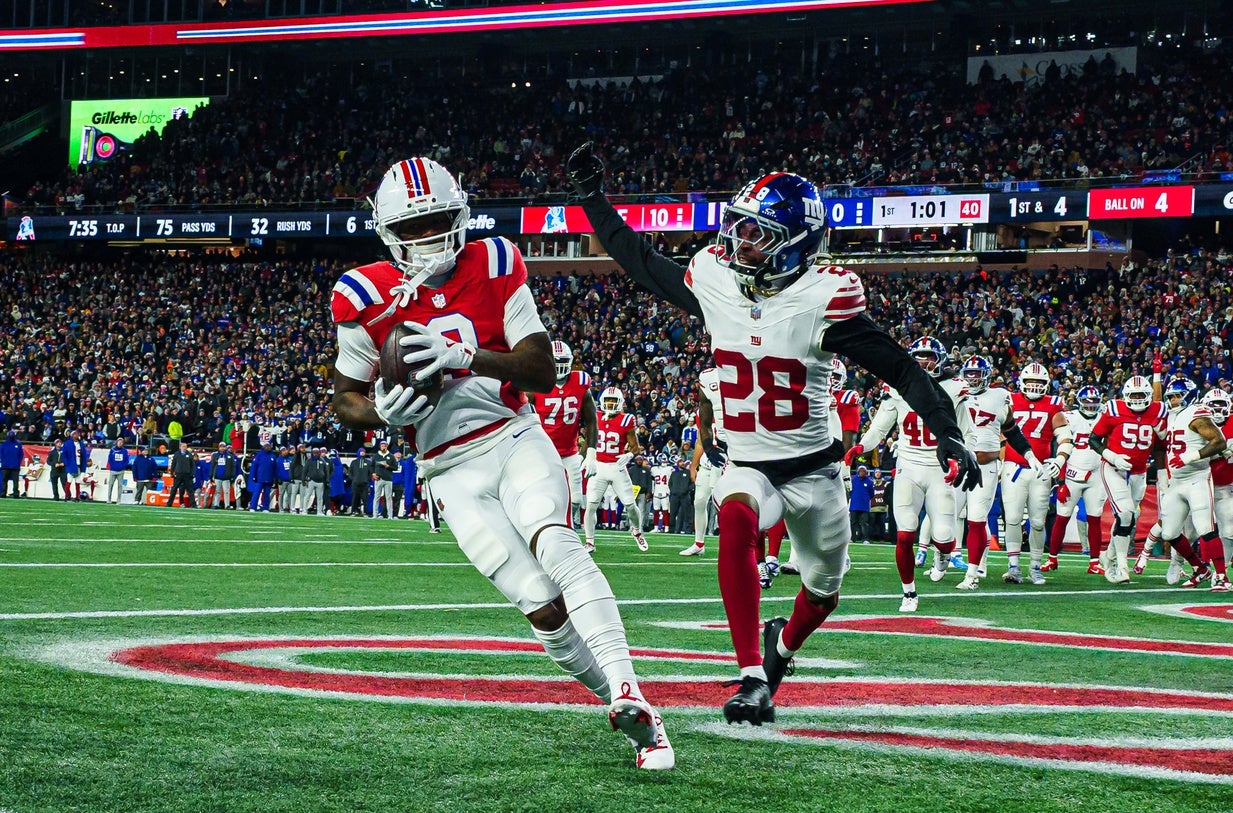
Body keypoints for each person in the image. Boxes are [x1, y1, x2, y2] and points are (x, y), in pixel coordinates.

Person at [567, 143, 977, 724]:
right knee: (734, 515)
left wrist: (946, 432)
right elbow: (641, 261)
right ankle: (752, 676)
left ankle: (780, 649)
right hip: (751, 463)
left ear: (794, 244)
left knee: (822, 591)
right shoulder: (717, 281)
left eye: (755, 233)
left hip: (814, 471)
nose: (738, 242)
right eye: (738, 227)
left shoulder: (821, 301)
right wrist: (592, 200)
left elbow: (901, 366)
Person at [329, 156, 671, 769]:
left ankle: (625, 684)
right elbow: (345, 399)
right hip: (446, 470)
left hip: (511, 436)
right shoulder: (362, 293)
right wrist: (384, 414)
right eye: (411, 227)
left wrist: (467, 355)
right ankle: (635, 715)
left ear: (459, 215)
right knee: (538, 602)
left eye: (435, 220)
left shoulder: (495, 261)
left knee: (556, 540)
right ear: (385, 230)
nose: (425, 238)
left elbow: (540, 371)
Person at [845, 337, 976, 611]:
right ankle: (909, 593)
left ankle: (942, 556)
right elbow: (880, 428)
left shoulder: (954, 389)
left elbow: (967, 434)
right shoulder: (898, 388)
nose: (924, 362)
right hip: (908, 466)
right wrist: (861, 446)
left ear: (940, 360)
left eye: (929, 356)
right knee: (905, 534)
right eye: (919, 357)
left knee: (944, 538)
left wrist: (959, 458)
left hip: (939, 469)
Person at [998, 362, 1071, 585]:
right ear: (1022, 382)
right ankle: (1013, 567)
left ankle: (1035, 567)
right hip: (1013, 467)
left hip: (1041, 470)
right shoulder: (1009, 400)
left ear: (1047, 384)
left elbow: (1065, 436)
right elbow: (1000, 432)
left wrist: (1060, 459)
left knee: (1038, 521)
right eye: (1031, 381)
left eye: (1039, 383)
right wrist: (1001, 460)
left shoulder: (1053, 405)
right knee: (1012, 518)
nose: (1035, 386)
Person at [1159, 377, 1227, 589]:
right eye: (1170, 397)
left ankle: (1222, 577)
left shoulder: (1196, 413)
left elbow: (1219, 441)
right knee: (1168, 533)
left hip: (1197, 477)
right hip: (1177, 480)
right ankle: (1201, 569)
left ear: (1189, 396)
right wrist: (1156, 375)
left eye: (1178, 396)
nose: (1174, 400)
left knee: (1205, 527)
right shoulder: (1172, 415)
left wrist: (1191, 457)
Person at [531, 340, 597, 527]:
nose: (558, 367)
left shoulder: (581, 382)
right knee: (541, 495)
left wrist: (591, 452)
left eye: (562, 362)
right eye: (554, 361)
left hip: (569, 452)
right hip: (542, 452)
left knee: (576, 500)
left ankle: (566, 527)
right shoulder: (535, 384)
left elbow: (591, 419)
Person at [1044, 386, 1107, 575]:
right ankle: (1052, 558)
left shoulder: (1105, 417)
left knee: (1095, 518)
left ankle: (1094, 561)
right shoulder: (1070, 418)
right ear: (1080, 401)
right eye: (1087, 401)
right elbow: (1061, 446)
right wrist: (1061, 480)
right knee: (1062, 517)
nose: (1091, 404)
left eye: (1094, 400)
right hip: (1072, 473)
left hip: (1096, 473)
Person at [584, 386, 648, 552]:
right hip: (598, 466)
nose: (611, 404)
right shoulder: (596, 416)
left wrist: (629, 455)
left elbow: (636, 447)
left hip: (617, 466)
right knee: (591, 505)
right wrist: (582, 457)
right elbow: (587, 440)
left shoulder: (626, 420)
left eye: (614, 401)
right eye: (608, 401)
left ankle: (637, 530)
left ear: (620, 403)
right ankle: (590, 541)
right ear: (602, 402)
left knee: (630, 505)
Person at [681, 368, 726, 556]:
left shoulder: (730, 406)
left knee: (722, 503)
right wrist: (693, 465)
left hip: (724, 457)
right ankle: (699, 542)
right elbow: (701, 438)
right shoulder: (704, 410)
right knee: (699, 501)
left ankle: (728, 544)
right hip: (708, 458)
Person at [209, 442, 239, 509]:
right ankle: (216, 504)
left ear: (225, 447)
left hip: (226, 477)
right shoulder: (215, 455)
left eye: (223, 447)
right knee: (217, 491)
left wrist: (232, 476)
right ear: (219, 447)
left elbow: (233, 467)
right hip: (217, 476)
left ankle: (227, 505)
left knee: (226, 492)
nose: (222, 448)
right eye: (221, 447)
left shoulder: (230, 456)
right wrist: (211, 475)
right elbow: (212, 465)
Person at [167, 440, 197, 508]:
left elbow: (192, 465)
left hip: (187, 475)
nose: (184, 448)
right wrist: (172, 472)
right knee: (174, 489)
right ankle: (169, 503)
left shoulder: (189, 454)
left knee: (190, 490)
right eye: (183, 446)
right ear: (180, 447)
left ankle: (193, 504)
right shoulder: (177, 454)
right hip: (178, 474)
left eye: (185, 446)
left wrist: (192, 474)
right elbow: (173, 464)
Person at [668, 457, 693, 535]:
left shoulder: (688, 472)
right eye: (680, 462)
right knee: (672, 513)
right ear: (677, 463)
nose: (682, 463)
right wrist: (673, 491)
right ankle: (672, 529)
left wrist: (686, 490)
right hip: (675, 496)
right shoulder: (674, 473)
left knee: (688, 513)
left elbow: (692, 483)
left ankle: (688, 530)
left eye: (683, 462)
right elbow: (670, 483)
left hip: (685, 496)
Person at [372, 440, 396, 519]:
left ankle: (390, 515)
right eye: (382, 445)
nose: (383, 447)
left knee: (388, 498)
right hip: (378, 478)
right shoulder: (376, 456)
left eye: (385, 445)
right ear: (380, 446)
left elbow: (395, 467)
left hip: (388, 479)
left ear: (387, 446)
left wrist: (388, 466)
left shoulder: (391, 456)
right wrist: (373, 473)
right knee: (377, 497)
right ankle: (374, 514)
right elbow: (371, 466)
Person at [248, 440, 275, 511]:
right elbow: (254, 466)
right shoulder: (259, 455)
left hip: (269, 478)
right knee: (256, 493)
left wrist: (274, 478)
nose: (268, 447)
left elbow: (275, 468)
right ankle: (253, 507)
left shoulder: (273, 456)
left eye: (269, 446)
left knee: (267, 494)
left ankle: (265, 507)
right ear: (263, 447)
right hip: (259, 478)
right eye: (266, 446)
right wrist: (254, 476)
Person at [849, 465, 873, 543]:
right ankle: (853, 538)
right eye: (860, 471)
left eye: (863, 471)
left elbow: (871, 493)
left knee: (864, 523)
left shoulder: (869, 481)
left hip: (864, 506)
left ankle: (865, 539)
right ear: (858, 471)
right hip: (854, 505)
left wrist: (865, 499)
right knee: (853, 523)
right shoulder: (853, 480)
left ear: (866, 472)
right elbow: (849, 490)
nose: (862, 472)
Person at [649, 453, 673, 532]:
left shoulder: (669, 468)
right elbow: (652, 481)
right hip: (657, 491)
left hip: (665, 491)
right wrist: (652, 491)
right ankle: (656, 527)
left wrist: (668, 491)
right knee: (656, 510)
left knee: (666, 510)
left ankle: (666, 527)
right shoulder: (654, 469)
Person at [348, 446, 373, 516]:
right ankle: (353, 511)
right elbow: (350, 472)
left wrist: (367, 479)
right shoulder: (354, 462)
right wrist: (353, 479)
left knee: (365, 499)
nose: (362, 453)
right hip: (355, 483)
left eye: (364, 452)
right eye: (361, 451)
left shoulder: (368, 462)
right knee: (354, 498)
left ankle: (365, 512)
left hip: (364, 484)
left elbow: (370, 473)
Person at [105, 436, 130, 504]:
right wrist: (113, 466)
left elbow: (126, 460)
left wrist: (122, 466)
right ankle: (109, 499)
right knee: (111, 485)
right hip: (113, 470)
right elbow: (110, 459)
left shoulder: (124, 451)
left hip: (121, 471)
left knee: (120, 486)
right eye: (119, 442)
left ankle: (118, 500)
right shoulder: (112, 450)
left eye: (121, 442)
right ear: (117, 442)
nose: (120, 443)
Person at [305, 447, 329, 516]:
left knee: (320, 498)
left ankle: (319, 511)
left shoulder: (322, 461)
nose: (316, 454)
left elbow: (326, 471)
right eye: (314, 452)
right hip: (311, 481)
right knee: (307, 496)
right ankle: (304, 510)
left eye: (317, 452)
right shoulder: (309, 461)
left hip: (320, 482)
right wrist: (304, 479)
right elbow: (305, 470)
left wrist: (327, 480)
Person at [0, 430, 22, 498]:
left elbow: (21, 455)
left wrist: (18, 463)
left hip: (15, 466)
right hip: (5, 466)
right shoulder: (4, 445)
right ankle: (3, 493)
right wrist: (4, 462)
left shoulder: (18, 444)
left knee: (15, 481)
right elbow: (1, 454)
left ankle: (15, 493)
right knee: (4, 481)